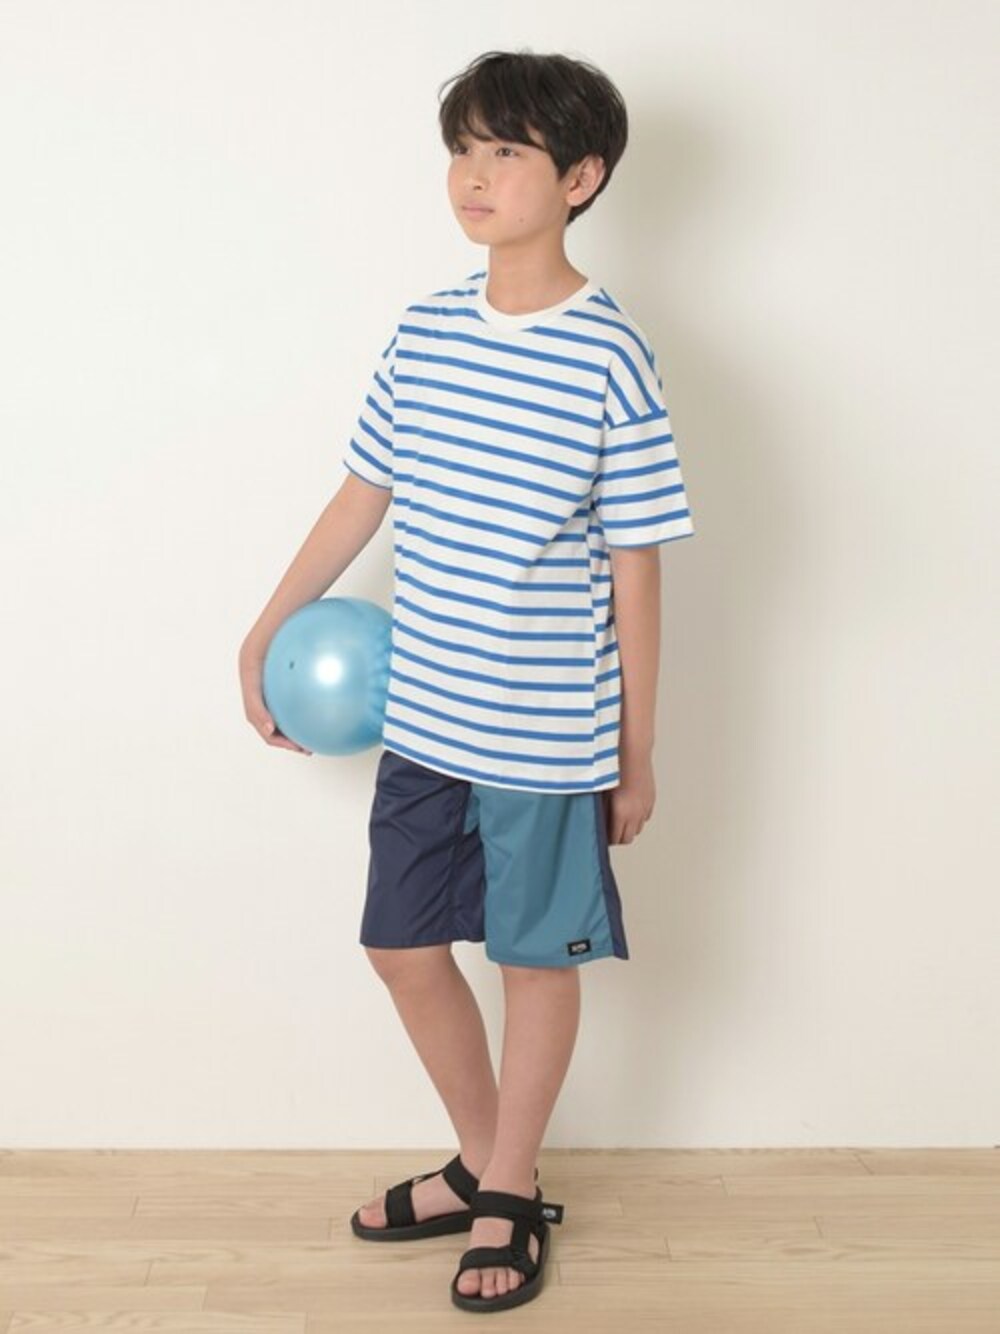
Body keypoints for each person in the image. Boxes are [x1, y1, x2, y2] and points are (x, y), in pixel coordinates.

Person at [238, 48, 696, 1314]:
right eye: (463, 149)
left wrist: (637, 751)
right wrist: (264, 626)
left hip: (548, 733)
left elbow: (638, 567)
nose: (473, 175)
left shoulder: (610, 356)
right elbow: (362, 490)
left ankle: (501, 1192)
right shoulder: (427, 330)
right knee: (399, 944)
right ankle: (496, 1166)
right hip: (423, 718)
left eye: (506, 152)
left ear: (580, 178)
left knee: (532, 960)